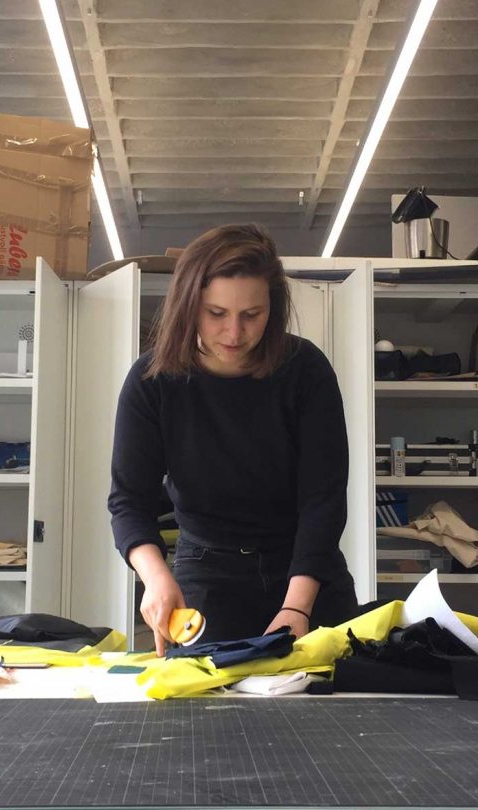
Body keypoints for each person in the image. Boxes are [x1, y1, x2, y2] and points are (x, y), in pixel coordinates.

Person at [108, 223, 358, 655]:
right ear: (189, 306)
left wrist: (297, 609)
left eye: (252, 315)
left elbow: (324, 499)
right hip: (206, 574)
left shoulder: (306, 371)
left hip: (305, 571)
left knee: (326, 711)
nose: (234, 334)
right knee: (206, 715)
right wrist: (156, 577)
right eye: (216, 314)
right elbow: (129, 501)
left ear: (272, 309)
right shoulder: (153, 382)